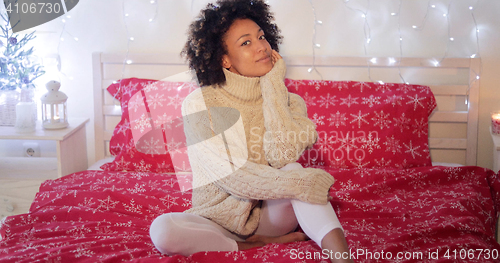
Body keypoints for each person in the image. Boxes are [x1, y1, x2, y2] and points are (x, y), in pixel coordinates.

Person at [150, 1, 353, 262]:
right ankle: (246, 245)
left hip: (270, 217)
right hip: (215, 219)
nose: (262, 47)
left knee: (293, 170)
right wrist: (303, 184)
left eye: (261, 37)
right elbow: (232, 177)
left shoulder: (290, 102)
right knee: (163, 230)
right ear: (224, 59)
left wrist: (273, 86)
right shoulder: (201, 103)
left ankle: (344, 257)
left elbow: (282, 156)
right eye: (246, 43)